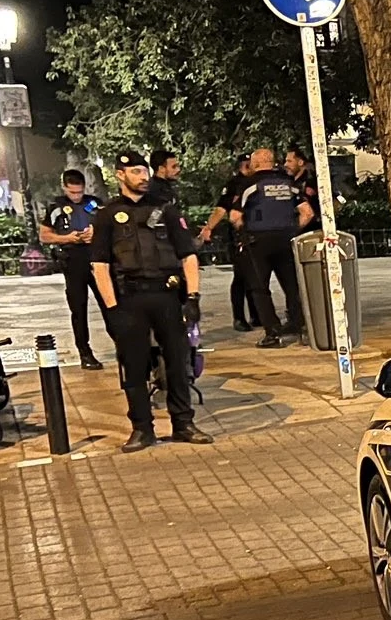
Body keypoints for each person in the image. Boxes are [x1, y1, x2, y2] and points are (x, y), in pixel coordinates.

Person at [90, 151, 212, 453]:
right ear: (120, 175)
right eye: (135, 172)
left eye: (144, 171)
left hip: (167, 295)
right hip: (129, 299)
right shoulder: (107, 215)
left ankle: (183, 423)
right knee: (133, 367)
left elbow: (188, 255)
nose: (143, 177)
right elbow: (100, 266)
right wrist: (112, 309)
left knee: (177, 362)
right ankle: (142, 429)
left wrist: (193, 297)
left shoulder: (166, 210)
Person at [229, 148, 313, 347]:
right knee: (292, 286)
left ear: (255, 164)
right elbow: (307, 213)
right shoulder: (288, 183)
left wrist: (243, 231)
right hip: (287, 240)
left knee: (259, 288)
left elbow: (234, 216)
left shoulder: (249, 184)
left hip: (258, 242)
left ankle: (273, 334)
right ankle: (300, 327)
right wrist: (293, 229)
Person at [38, 170, 108, 370]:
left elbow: (109, 225)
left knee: (109, 303)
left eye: (79, 192)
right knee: (79, 309)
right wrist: (68, 238)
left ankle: (122, 344)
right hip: (72, 260)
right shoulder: (56, 207)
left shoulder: (94, 203)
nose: (76, 196)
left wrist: (96, 233)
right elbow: (45, 235)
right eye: (72, 192)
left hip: (97, 258)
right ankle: (85, 352)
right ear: (64, 188)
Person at [199, 154, 256, 332]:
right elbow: (221, 209)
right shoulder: (234, 184)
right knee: (241, 277)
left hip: (256, 234)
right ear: (245, 166)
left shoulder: (257, 181)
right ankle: (239, 318)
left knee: (255, 277)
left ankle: (257, 315)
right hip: (239, 236)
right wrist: (208, 228)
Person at [285, 145, 320, 229]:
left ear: (300, 162)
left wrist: (294, 230)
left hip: (309, 231)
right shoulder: (292, 182)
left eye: (289, 161)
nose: (285, 164)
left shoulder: (310, 183)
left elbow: (308, 213)